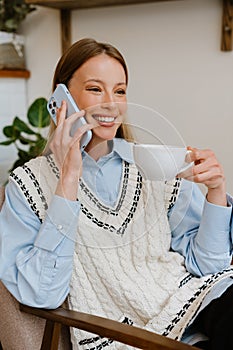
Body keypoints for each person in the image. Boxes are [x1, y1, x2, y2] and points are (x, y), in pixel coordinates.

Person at [0, 38, 233, 350]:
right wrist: (68, 177)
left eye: (120, 90)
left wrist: (216, 192)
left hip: (201, 302)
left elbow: (208, 266)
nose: (111, 103)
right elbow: (42, 295)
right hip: (133, 336)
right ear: (62, 97)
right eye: (96, 88)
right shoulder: (27, 184)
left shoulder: (154, 163)